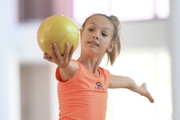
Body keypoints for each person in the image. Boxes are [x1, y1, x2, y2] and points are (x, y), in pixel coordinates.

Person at [43, 13, 154, 120]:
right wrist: (63, 64)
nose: (95, 35)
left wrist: (142, 90)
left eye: (104, 34)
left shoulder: (104, 77)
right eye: (91, 29)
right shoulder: (74, 69)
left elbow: (128, 82)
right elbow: (67, 68)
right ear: (80, 34)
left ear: (110, 46)